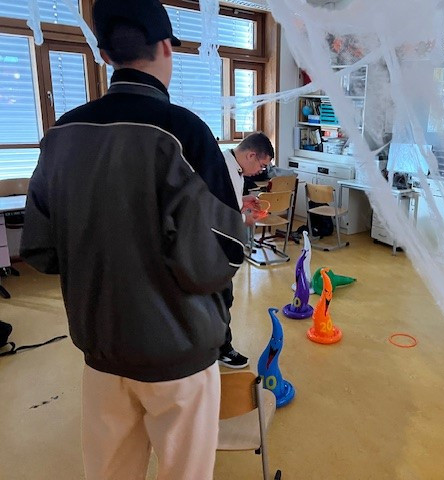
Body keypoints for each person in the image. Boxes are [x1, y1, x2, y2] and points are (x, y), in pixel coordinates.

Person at [19, 1, 246, 478]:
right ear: (166, 46)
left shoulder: (61, 135)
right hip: (180, 355)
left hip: (102, 350)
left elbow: (41, 249)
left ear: (104, 54)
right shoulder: (184, 133)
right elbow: (219, 258)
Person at [218, 132, 275, 368]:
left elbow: (226, 201)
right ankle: (222, 349)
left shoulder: (233, 168)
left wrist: (242, 201)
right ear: (251, 155)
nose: (261, 171)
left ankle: (220, 346)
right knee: (221, 298)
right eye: (262, 165)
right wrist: (245, 219)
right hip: (215, 249)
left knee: (224, 297)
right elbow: (216, 211)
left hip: (223, 248)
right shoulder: (222, 169)